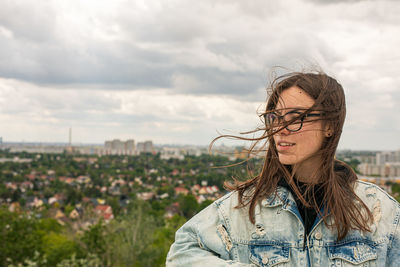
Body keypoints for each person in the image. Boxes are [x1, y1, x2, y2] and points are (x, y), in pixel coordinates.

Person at [166, 71, 400, 266]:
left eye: (295, 117)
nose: (280, 129)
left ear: (330, 125)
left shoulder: (377, 211)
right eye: (275, 118)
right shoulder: (243, 209)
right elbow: (182, 253)